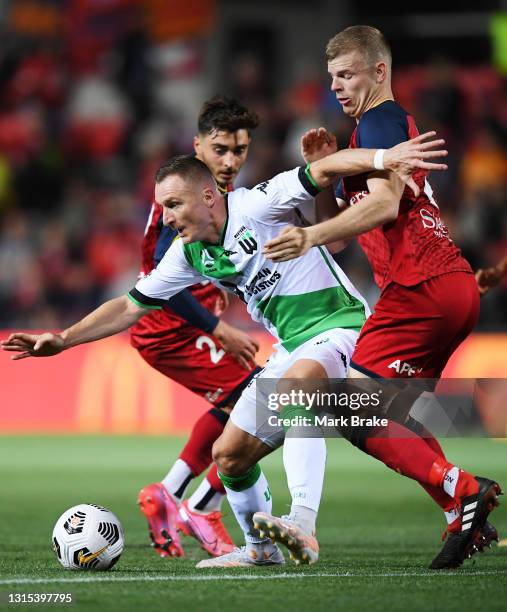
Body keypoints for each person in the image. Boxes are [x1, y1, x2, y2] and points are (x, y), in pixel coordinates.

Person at [1, 133, 450, 568]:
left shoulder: (256, 203)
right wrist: (63, 338)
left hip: (340, 326)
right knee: (228, 455)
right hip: (290, 345)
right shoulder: (187, 254)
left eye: (175, 205)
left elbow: (323, 169)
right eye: (163, 208)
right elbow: (128, 305)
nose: (168, 217)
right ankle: (260, 549)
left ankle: (303, 523)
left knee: (300, 395)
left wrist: (382, 159)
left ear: (209, 196)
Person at [262, 25, 502, 570]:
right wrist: (327, 186)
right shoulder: (365, 141)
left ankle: (460, 489)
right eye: (332, 78)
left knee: (350, 406)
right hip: (448, 286)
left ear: (379, 72)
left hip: (419, 286)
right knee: (393, 413)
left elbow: (387, 207)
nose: (338, 88)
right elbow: (351, 230)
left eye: (347, 75)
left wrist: (308, 235)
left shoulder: (381, 119)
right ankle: (460, 510)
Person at [131, 96, 262, 558]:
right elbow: (164, 281)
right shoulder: (181, 195)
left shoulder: (212, 196)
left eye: (240, 150)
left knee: (245, 402)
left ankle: (171, 493)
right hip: (170, 325)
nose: (230, 161)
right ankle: (201, 507)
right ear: (198, 146)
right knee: (260, 405)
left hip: (183, 323)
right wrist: (218, 327)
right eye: (220, 148)